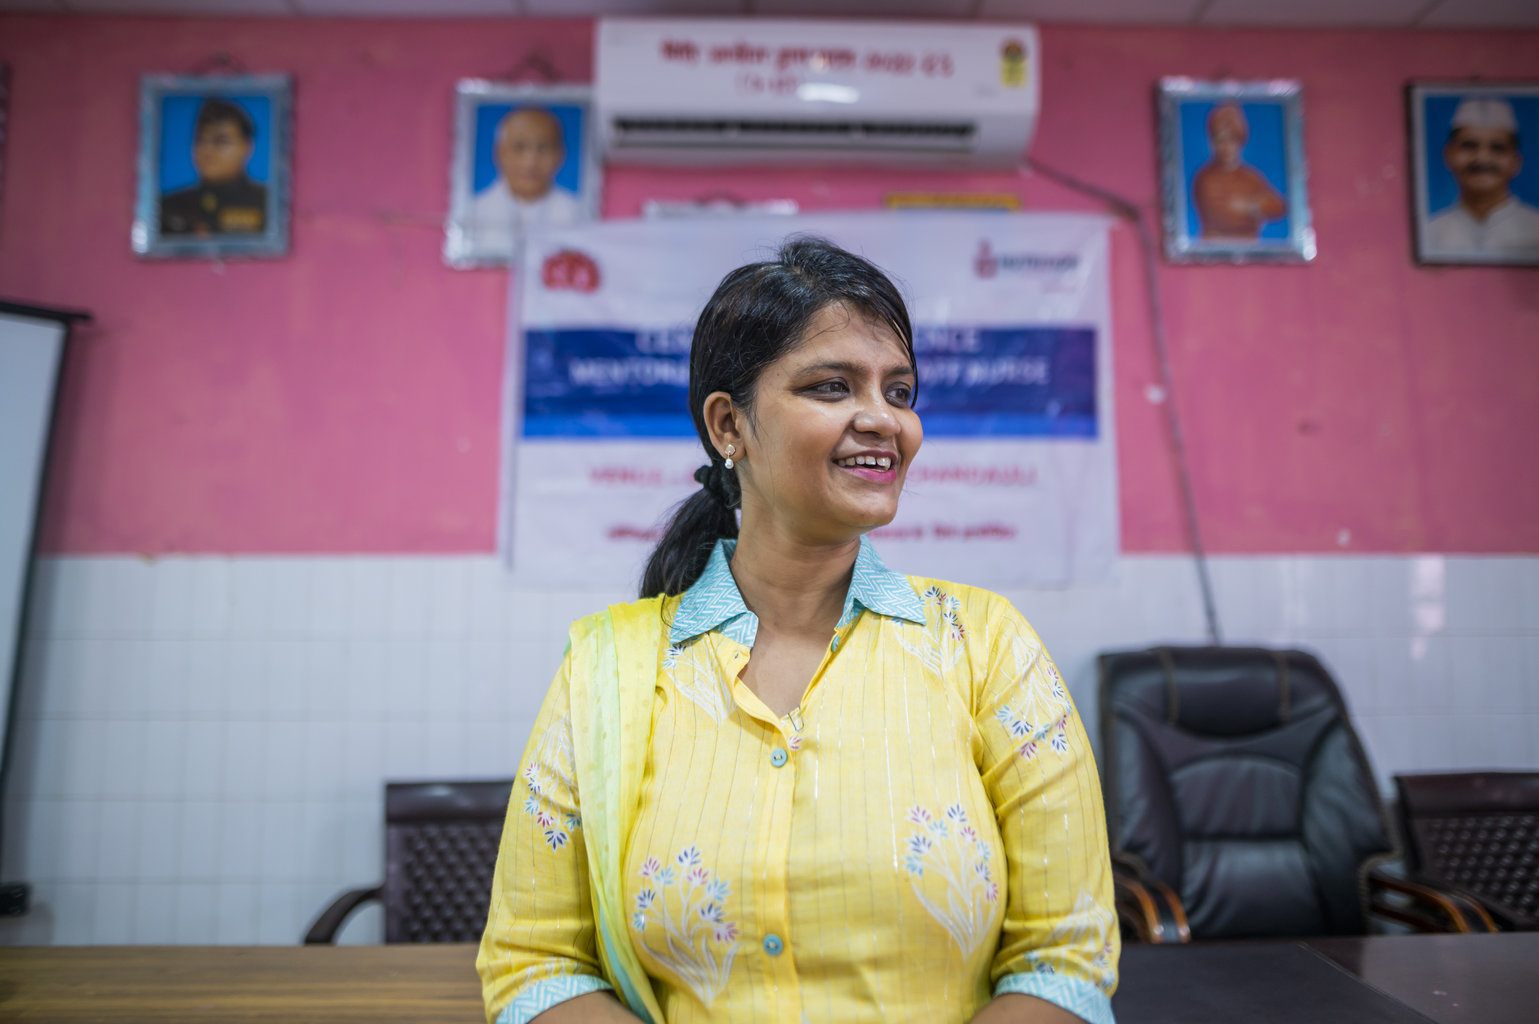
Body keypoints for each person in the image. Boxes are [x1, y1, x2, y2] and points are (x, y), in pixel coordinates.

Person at [477, 238, 1119, 1024]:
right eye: (831, 386)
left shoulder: (986, 648)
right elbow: (535, 964)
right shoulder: (607, 670)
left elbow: (1064, 961)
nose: (883, 419)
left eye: (900, 391)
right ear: (728, 426)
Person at [1424, 96, 1539, 258]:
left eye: (1497, 148)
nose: (1482, 158)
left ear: (1516, 161)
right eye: (1470, 146)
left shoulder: (1535, 228)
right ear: (1448, 155)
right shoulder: (1430, 232)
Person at [464, 106, 585, 254]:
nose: (530, 162)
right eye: (519, 148)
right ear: (500, 153)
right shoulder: (474, 211)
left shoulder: (578, 213)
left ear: (559, 155)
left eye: (543, 148)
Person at [159, 98, 267, 236]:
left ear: (247, 147)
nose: (207, 150)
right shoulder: (167, 206)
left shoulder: (267, 203)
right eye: (201, 140)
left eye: (221, 141)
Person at [1191, 103, 1286, 240]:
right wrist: (1255, 207)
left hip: (1251, 248)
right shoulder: (1205, 178)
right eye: (1221, 141)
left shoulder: (1251, 177)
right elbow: (1223, 216)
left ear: (1239, 142)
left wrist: (1251, 206)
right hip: (1214, 249)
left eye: (1231, 140)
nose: (1226, 147)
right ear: (1213, 143)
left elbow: (1278, 206)